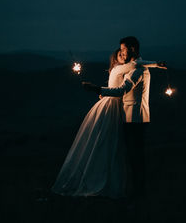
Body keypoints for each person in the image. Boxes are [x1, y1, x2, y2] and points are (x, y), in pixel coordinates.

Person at [51, 47, 165, 199]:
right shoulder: (118, 69)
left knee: (112, 143)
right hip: (109, 105)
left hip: (115, 106)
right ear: (115, 57)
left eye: (124, 54)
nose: (123, 55)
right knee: (104, 141)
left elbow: (138, 65)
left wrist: (156, 64)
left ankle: (112, 181)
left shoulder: (128, 68)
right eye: (120, 54)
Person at [82, 36, 166, 200]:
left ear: (132, 49)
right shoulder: (133, 67)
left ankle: (138, 192)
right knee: (131, 156)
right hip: (130, 118)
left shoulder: (138, 70)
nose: (121, 52)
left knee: (135, 157)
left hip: (135, 119)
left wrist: (97, 89)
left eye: (123, 49)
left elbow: (122, 90)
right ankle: (134, 189)